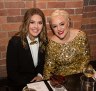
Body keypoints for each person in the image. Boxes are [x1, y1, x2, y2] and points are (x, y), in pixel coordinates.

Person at [6, 8, 48, 89]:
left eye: (40, 23)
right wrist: (31, 85)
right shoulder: (15, 42)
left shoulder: (44, 40)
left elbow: (42, 63)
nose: (36, 26)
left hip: (37, 83)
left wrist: (39, 75)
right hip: (19, 84)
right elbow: (12, 73)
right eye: (32, 22)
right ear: (26, 23)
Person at [43, 9, 90, 80]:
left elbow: (85, 60)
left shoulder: (81, 36)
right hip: (61, 81)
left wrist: (76, 78)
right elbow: (48, 68)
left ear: (68, 22)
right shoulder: (51, 44)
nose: (59, 29)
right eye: (54, 26)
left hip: (80, 77)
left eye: (62, 24)